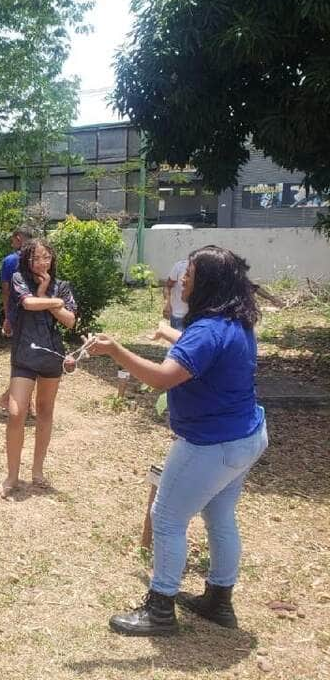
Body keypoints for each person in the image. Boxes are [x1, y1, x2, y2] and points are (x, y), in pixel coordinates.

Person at [89, 246, 268, 636]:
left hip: (211, 445)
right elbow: (198, 352)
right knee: (219, 516)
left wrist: (116, 350)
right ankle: (219, 601)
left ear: (208, 283)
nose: (181, 281)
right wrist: (167, 332)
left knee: (167, 519)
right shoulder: (235, 320)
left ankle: (160, 610)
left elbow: (162, 378)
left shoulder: (207, 331)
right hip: (246, 438)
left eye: (188, 275)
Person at [0, 238, 76, 496]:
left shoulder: (63, 286)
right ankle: (11, 475)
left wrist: (46, 296)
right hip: (23, 355)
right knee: (16, 412)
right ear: (27, 260)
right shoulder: (19, 279)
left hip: (51, 355)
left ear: (53, 259)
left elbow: (70, 321)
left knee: (45, 411)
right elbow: (28, 304)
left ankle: (37, 470)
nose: (42, 262)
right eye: (36, 258)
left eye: (46, 257)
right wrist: (53, 301)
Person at [0, 228, 33, 419]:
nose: (11, 243)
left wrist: (7, 316)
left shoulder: (10, 261)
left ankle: (11, 398)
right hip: (37, 316)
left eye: (12, 240)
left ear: (18, 238)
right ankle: (20, 401)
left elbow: (6, 291)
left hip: (18, 315)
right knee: (30, 358)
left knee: (22, 358)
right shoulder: (41, 258)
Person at [164, 258, 189, 330]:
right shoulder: (180, 266)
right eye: (187, 273)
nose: (183, 279)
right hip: (179, 315)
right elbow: (168, 286)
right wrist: (167, 304)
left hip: (198, 317)